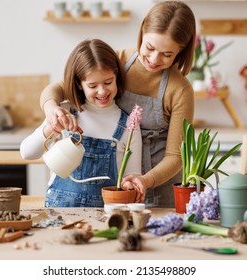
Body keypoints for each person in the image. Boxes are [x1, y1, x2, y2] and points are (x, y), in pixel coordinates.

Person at [39, 1, 196, 207]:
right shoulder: (119, 60)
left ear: (181, 51)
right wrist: (52, 108)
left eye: (167, 54)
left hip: (159, 184)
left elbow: (176, 156)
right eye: (149, 47)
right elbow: (57, 88)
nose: (154, 59)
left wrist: (145, 180)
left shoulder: (180, 89)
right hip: (117, 184)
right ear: (142, 32)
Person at [20, 39, 142, 208]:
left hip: (105, 217)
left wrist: (131, 185)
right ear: (79, 84)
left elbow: (132, 174)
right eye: (92, 85)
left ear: (117, 78)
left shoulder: (129, 123)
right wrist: (52, 127)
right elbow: (27, 153)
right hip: (59, 212)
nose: (102, 91)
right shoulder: (64, 112)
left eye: (108, 82)